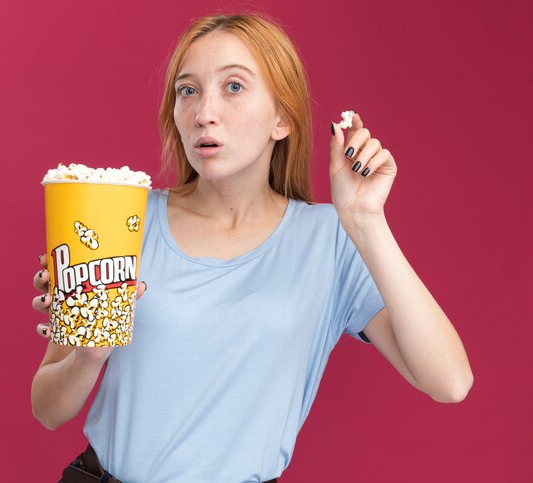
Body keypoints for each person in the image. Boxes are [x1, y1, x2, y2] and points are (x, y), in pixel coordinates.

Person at [31, 12, 473, 483]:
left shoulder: (328, 240)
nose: (204, 112)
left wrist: (365, 220)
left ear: (281, 118)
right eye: (188, 90)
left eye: (234, 87)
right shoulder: (123, 220)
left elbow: (449, 382)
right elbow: (48, 409)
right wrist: (87, 355)